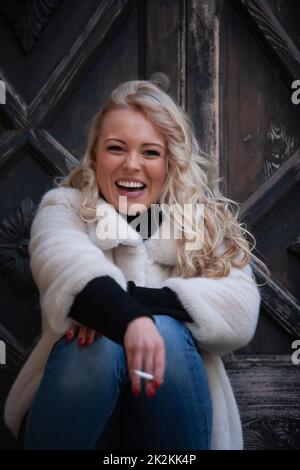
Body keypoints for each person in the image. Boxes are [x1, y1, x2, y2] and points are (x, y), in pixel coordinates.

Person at [4, 80, 269, 450]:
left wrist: (124, 314)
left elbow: (238, 313)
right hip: (80, 414)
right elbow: (66, 267)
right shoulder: (63, 209)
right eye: (116, 148)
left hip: (173, 416)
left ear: (171, 161)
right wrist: (124, 319)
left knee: (161, 332)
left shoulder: (201, 224)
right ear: (95, 157)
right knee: (94, 346)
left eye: (150, 152)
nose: (132, 165)